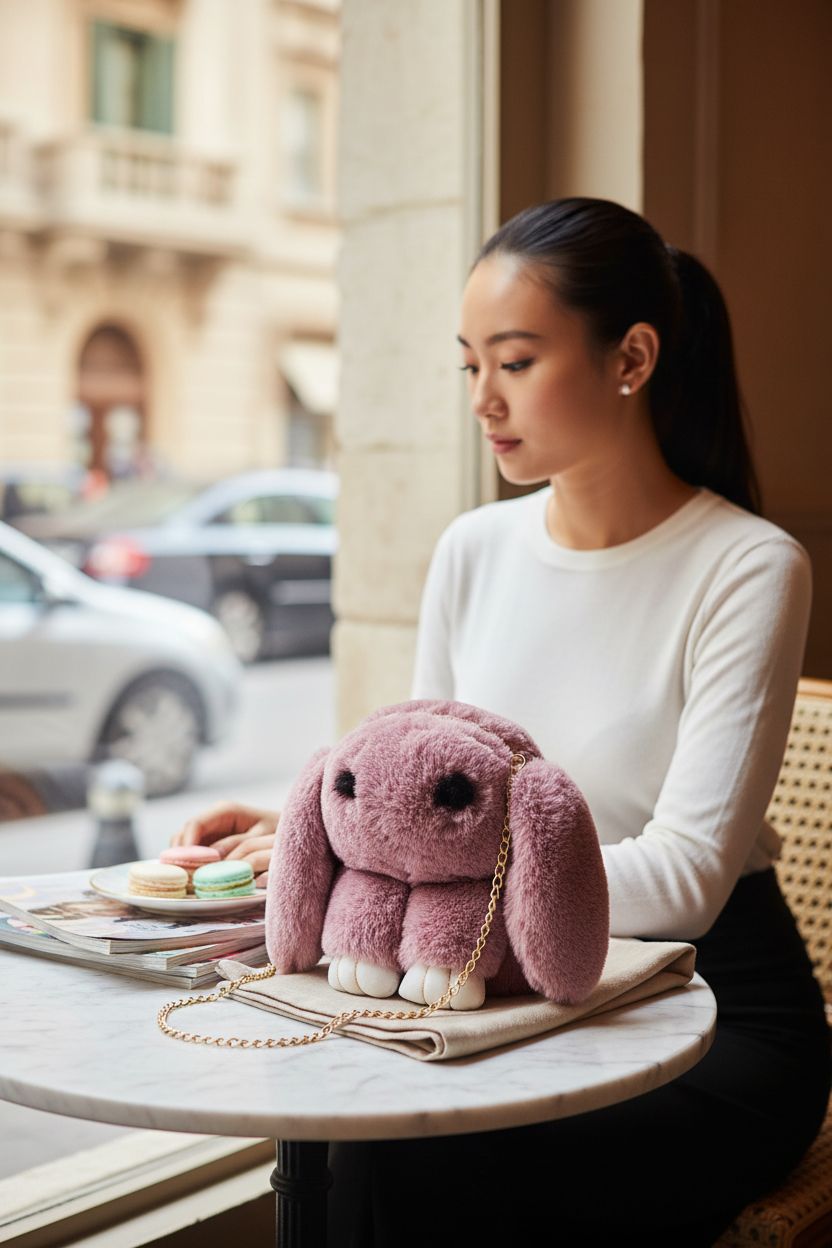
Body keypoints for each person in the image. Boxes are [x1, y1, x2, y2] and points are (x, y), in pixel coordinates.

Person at [173, 197, 830, 1246]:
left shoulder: (746, 567)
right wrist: (329, 837)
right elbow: (420, 786)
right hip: (502, 983)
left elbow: (690, 881)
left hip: (705, 1010)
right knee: (373, 1135)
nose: (483, 399)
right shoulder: (473, 549)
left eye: (515, 362)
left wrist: (408, 873)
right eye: (468, 364)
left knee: (444, 1161)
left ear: (632, 357)